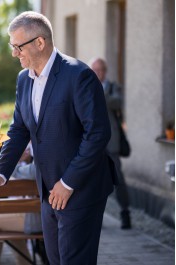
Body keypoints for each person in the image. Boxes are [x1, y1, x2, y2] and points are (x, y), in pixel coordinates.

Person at [0, 11, 118, 265]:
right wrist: (0, 175)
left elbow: (98, 134)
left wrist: (68, 183)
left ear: (40, 43)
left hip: (81, 189)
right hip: (47, 194)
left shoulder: (79, 75)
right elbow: (19, 131)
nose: (14, 53)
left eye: (18, 46)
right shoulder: (24, 80)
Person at [89, 57, 131, 229]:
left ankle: (125, 212)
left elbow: (118, 102)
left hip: (111, 141)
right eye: (95, 70)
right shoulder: (86, 86)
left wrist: (98, 91)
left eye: (101, 69)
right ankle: (93, 218)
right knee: (91, 180)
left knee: (118, 178)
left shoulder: (113, 87)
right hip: (92, 141)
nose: (98, 73)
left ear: (105, 71)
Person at [0, 143, 40, 265]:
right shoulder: (35, 152)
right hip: (39, 214)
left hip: (37, 218)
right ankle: (24, 262)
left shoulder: (34, 163)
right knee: (2, 225)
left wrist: (13, 161)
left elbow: (34, 171)